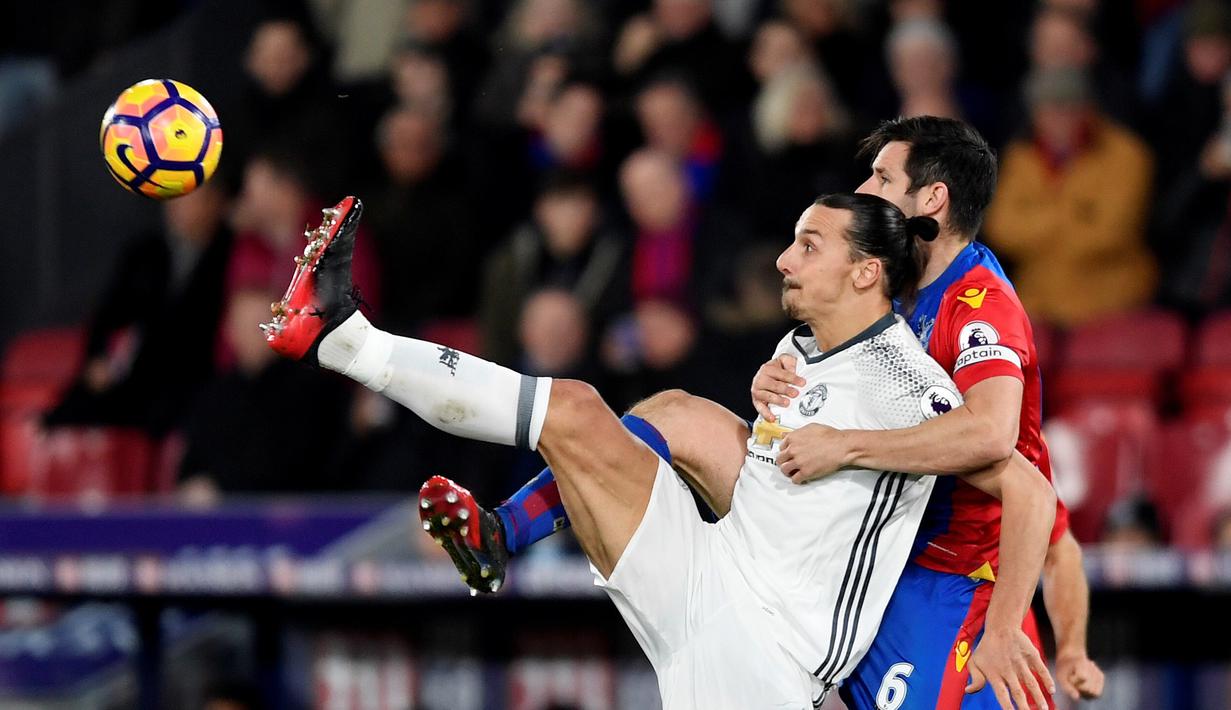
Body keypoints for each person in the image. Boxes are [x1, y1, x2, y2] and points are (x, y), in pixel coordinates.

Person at [262, 194, 1055, 708]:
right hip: (709, 570)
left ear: (865, 272)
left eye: (808, 246)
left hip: (766, 651)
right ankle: (342, 338)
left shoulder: (907, 385)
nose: (784, 258)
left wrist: (1003, 629)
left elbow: (1027, 490)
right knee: (579, 409)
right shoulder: (799, 348)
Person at [444, 116, 1097, 707]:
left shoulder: (979, 304)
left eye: (882, 176)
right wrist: (776, 377)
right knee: (676, 415)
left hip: (943, 580)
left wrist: (844, 444)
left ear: (932, 200)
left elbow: (994, 439)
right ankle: (502, 532)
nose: (864, 189)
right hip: (847, 531)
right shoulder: (884, 286)